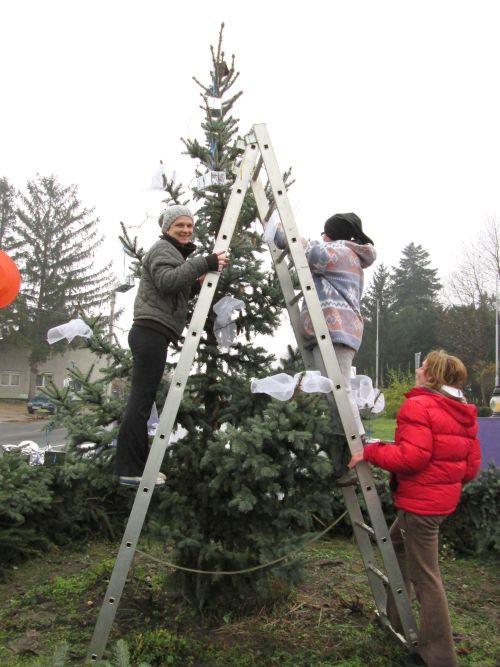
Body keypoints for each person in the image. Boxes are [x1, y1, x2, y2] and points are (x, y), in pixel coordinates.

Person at [348, 349, 481, 667]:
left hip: (421, 507)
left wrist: (371, 452)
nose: (418, 369)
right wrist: (442, 481)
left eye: (423, 366)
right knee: (395, 545)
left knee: (426, 578)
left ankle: (438, 656)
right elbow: (470, 468)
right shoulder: (461, 410)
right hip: (438, 503)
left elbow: (412, 458)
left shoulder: (419, 404)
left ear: (432, 376)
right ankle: (395, 619)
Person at [116, 205, 228, 486]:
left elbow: (173, 290)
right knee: (140, 402)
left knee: (143, 400)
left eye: (190, 226)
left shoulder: (174, 253)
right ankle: (130, 469)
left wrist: (196, 283)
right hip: (149, 333)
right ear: (167, 228)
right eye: (180, 225)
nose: (186, 230)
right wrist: (204, 263)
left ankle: (136, 467)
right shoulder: (163, 249)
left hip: (154, 333)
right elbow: (167, 282)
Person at [274, 212, 376, 481]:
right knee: (334, 392)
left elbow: (303, 249)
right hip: (336, 330)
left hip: (337, 330)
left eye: (324, 232)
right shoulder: (347, 253)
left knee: (339, 390)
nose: (321, 236)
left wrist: (277, 228)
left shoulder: (340, 252)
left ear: (332, 234)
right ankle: (345, 458)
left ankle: (359, 455)